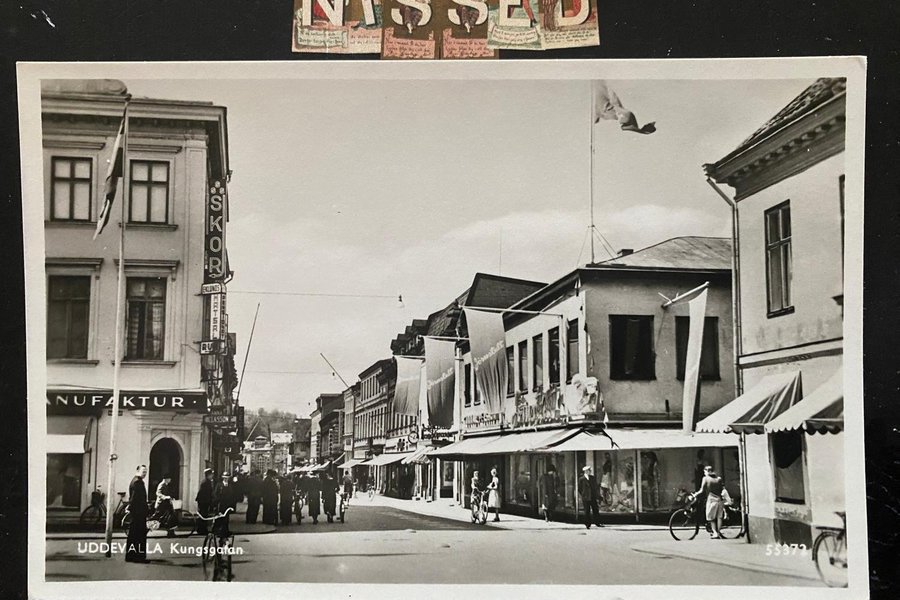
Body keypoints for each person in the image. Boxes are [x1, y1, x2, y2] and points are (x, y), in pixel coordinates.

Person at [692, 465, 726, 538]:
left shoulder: (705, 478)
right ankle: (719, 532)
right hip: (720, 500)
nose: (704, 473)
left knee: (711, 518)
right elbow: (722, 489)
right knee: (719, 517)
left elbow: (702, 490)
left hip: (711, 500)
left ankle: (715, 533)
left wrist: (695, 494)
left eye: (704, 472)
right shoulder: (719, 478)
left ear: (707, 471)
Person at [125, 465, 150, 563]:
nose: (145, 474)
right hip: (139, 513)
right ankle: (139, 557)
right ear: (138, 471)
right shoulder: (138, 482)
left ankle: (130, 556)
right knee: (140, 535)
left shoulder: (134, 480)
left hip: (135, 512)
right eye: (143, 471)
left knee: (133, 535)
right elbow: (135, 498)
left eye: (146, 472)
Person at [213, 472, 238, 537]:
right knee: (219, 518)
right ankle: (217, 531)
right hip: (220, 504)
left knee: (226, 518)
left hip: (227, 504)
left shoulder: (230, 485)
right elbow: (215, 494)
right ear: (223, 478)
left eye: (227, 478)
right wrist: (216, 503)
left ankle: (225, 531)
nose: (226, 479)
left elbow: (232, 495)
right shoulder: (219, 485)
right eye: (225, 478)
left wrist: (231, 504)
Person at [153, 473, 177, 537]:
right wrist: (165, 497)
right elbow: (158, 493)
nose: (170, 480)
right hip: (161, 504)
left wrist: (171, 497)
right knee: (157, 517)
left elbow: (168, 493)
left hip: (166, 503)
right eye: (169, 479)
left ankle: (171, 532)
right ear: (166, 479)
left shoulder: (167, 485)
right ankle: (147, 528)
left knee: (171, 516)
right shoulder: (161, 484)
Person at [195, 468, 214, 536]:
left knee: (203, 515)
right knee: (203, 515)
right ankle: (202, 529)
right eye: (211, 474)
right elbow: (203, 493)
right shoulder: (206, 482)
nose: (212, 476)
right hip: (203, 501)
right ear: (208, 475)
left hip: (204, 501)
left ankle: (201, 529)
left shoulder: (207, 482)